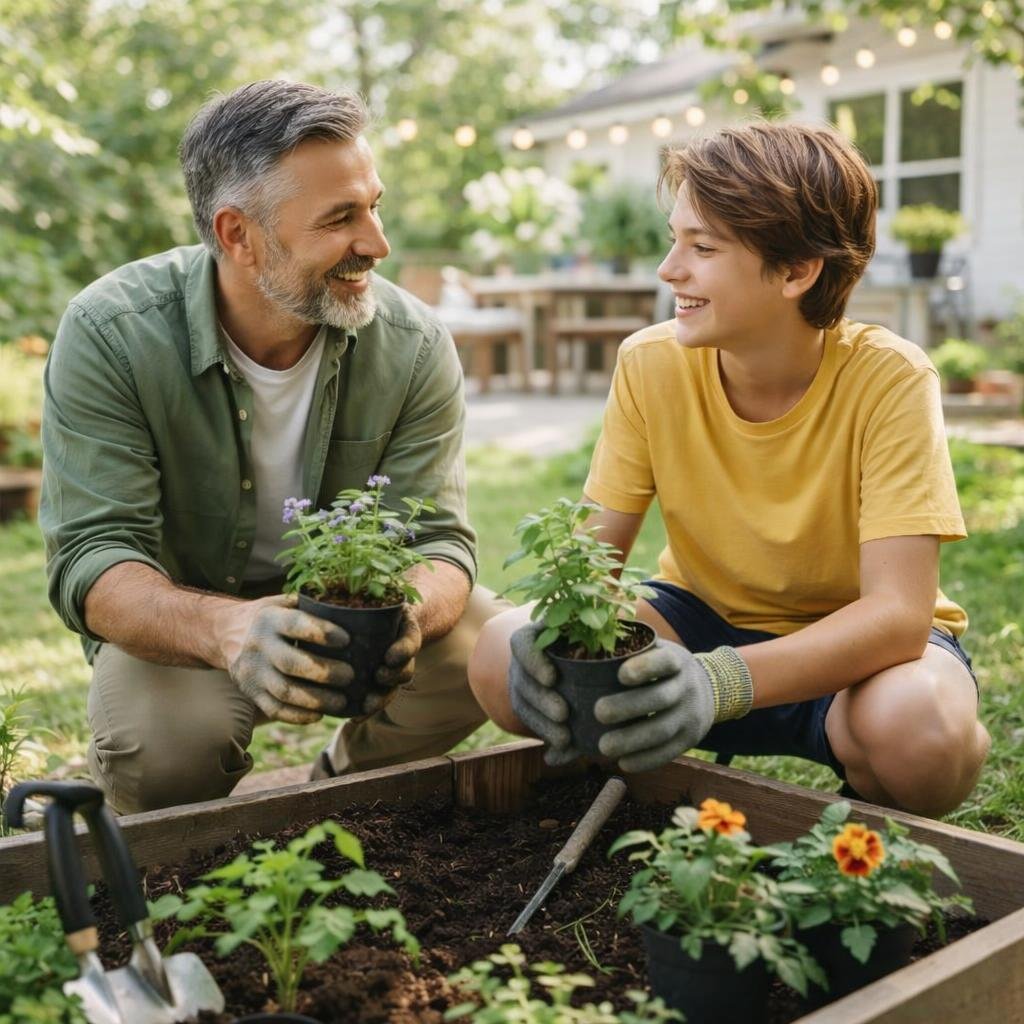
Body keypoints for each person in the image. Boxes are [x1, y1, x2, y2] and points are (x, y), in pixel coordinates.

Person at [468, 120, 989, 818]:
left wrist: (719, 682)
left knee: (919, 729)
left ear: (798, 271)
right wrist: (547, 642)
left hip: (855, 658)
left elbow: (897, 617)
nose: (669, 268)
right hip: (696, 619)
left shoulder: (890, 378)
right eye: (674, 238)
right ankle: (643, 784)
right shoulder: (650, 364)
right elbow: (591, 569)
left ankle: (862, 808)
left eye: (702, 247)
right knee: (501, 648)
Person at [40, 80, 506, 814]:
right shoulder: (112, 334)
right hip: (187, 625)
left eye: (374, 206)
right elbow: (93, 558)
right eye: (341, 219)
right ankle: (169, 846)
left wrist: (403, 613)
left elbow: (440, 542)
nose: (377, 244)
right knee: (165, 753)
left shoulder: (413, 345)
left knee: (486, 640)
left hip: (359, 617)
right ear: (237, 234)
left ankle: (341, 799)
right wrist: (229, 628)